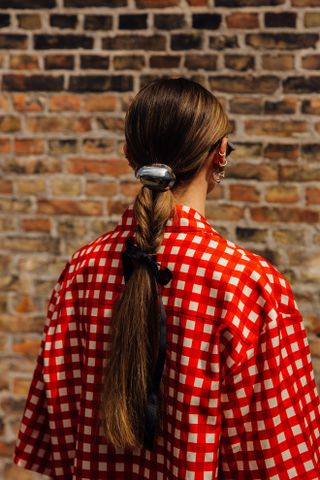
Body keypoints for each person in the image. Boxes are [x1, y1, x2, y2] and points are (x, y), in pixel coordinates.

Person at [13, 77, 320, 479]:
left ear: (129, 155)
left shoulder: (81, 271)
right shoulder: (249, 285)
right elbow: (282, 461)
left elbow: (55, 438)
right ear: (220, 154)